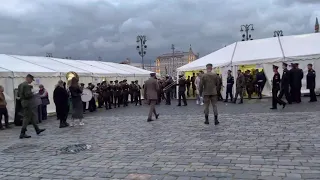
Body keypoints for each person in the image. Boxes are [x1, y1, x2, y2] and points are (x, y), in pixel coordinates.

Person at [18, 74, 45, 139]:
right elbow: (27, 95)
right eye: (31, 80)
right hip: (27, 102)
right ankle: (22, 132)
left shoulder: (20, 85)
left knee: (31, 116)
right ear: (28, 78)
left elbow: (19, 94)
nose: (31, 81)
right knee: (27, 117)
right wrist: (33, 93)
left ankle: (37, 129)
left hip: (23, 102)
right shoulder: (26, 86)